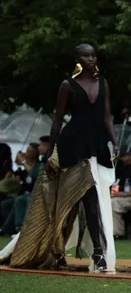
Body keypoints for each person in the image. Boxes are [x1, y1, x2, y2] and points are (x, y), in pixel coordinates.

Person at [0, 44, 118, 272]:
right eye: (86, 55)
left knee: (91, 203)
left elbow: (106, 116)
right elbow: (57, 120)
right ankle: (59, 250)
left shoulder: (102, 83)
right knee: (66, 203)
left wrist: (115, 142)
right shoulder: (68, 85)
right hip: (71, 147)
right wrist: (51, 152)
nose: (91, 59)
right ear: (77, 58)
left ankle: (97, 253)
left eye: (93, 55)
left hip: (95, 147)